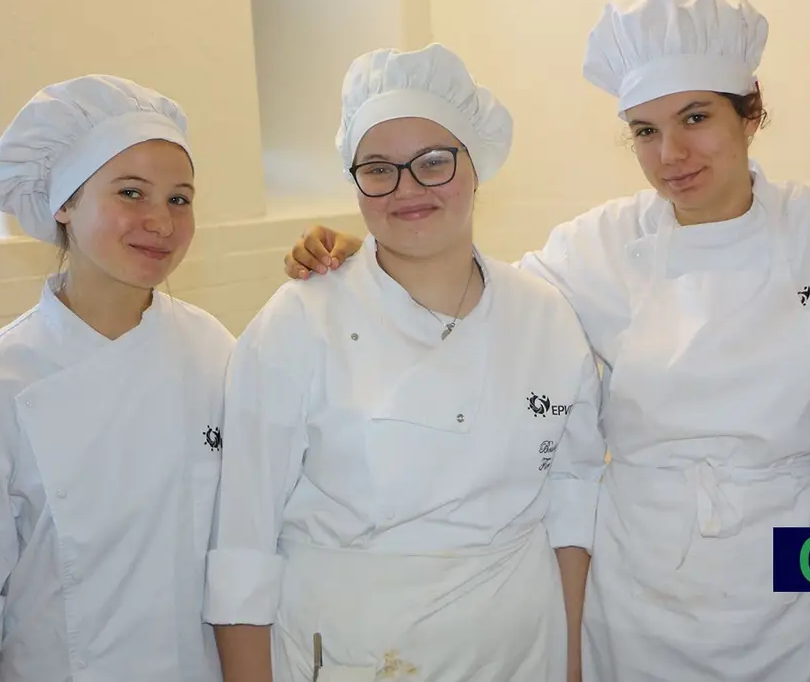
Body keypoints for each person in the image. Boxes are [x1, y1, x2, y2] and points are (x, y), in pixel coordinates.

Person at [280, 0, 810, 679]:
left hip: (797, 580)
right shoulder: (594, 246)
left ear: (753, 116)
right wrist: (378, 249)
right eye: (644, 129)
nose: (671, 152)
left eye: (696, 117)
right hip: (644, 576)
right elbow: (476, 294)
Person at [202, 43, 607, 682]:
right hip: (353, 651)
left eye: (434, 162)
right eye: (379, 169)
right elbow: (242, 546)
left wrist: (574, 665)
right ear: (354, 180)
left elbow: (572, 501)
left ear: (477, 167)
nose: (407, 188)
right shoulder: (299, 321)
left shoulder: (547, 317)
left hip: (521, 647)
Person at [0, 76, 233, 682]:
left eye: (179, 199)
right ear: (64, 201)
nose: (160, 221)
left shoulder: (213, 350)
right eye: (131, 192)